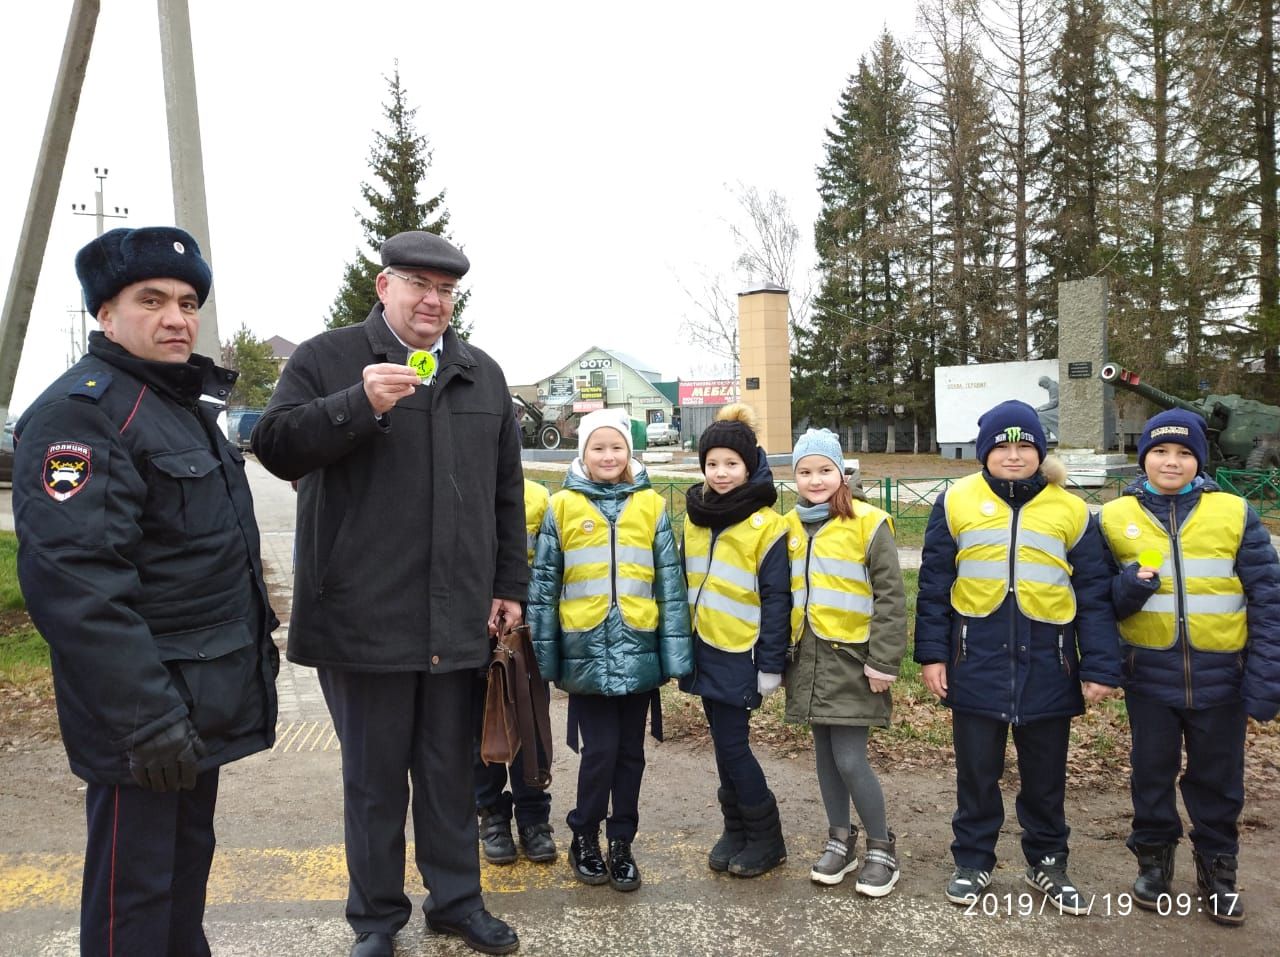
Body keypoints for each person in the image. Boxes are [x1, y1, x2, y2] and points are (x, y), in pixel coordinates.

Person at [252, 231, 524, 957]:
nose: (433, 301)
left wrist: (509, 587)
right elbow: (273, 445)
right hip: (362, 617)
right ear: (384, 286)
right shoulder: (325, 360)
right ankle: (375, 919)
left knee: (447, 773)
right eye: (418, 285)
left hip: (456, 614)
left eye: (446, 290)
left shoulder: (480, 375)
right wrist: (357, 403)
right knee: (374, 783)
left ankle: (457, 901)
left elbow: (507, 496)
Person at [11, 226, 279, 957]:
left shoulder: (174, 405)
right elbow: (77, 585)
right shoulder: (83, 414)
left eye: (188, 302)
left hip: (193, 708)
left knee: (180, 885)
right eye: (152, 299)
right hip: (147, 718)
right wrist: (146, 718)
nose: (177, 318)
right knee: (132, 902)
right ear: (105, 312)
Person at [914, 400, 1121, 914]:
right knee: (977, 773)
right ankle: (973, 859)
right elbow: (935, 585)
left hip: (1049, 665)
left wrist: (1097, 664)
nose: (1013, 455)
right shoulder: (955, 501)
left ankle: (1048, 861)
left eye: (1024, 444)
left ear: (1040, 451)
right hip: (975, 661)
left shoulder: (1071, 510)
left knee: (1046, 776)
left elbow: (1094, 593)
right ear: (984, 451)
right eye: (1002, 446)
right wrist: (933, 655)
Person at [1099, 409, 1280, 925]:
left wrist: (1267, 675)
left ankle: (1218, 866)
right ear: (1144, 458)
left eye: (1183, 453)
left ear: (1199, 460)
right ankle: (1154, 860)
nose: (1171, 461)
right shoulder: (1114, 517)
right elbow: (1098, 600)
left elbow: (1267, 597)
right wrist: (1127, 588)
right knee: (1151, 774)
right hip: (1149, 676)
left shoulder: (1233, 512)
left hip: (1223, 676)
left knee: (1218, 779)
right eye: (1160, 451)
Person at [527, 409, 692, 892]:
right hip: (586, 650)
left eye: (616, 447)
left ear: (629, 452)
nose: (608, 455)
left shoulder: (652, 506)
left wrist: (675, 655)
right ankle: (585, 834)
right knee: (598, 751)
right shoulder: (562, 508)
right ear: (583, 454)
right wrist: (545, 656)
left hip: (639, 645)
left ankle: (622, 841)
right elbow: (544, 587)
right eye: (598, 448)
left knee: (631, 754)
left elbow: (670, 583)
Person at [783, 428, 907, 897]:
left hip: (853, 660)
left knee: (851, 759)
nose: (815, 480)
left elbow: (892, 600)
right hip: (808, 659)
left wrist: (884, 662)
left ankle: (881, 846)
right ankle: (840, 838)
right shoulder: (790, 526)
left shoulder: (870, 523)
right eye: (805, 471)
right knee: (825, 759)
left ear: (842, 473)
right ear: (794, 476)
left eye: (824, 470)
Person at [679, 403, 791, 878]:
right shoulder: (695, 516)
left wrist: (770, 664)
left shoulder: (767, 525)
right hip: (703, 649)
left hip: (740, 653)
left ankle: (767, 836)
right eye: (712, 464)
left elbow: (777, 599)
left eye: (731, 464)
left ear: (749, 466)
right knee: (722, 745)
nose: (721, 473)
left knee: (733, 746)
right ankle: (736, 829)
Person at [473, 478, 556, 867]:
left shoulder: (539, 498)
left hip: (526, 634)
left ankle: (534, 816)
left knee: (530, 724)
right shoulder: (460, 487)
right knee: (480, 726)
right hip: (471, 631)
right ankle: (492, 815)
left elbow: (551, 567)